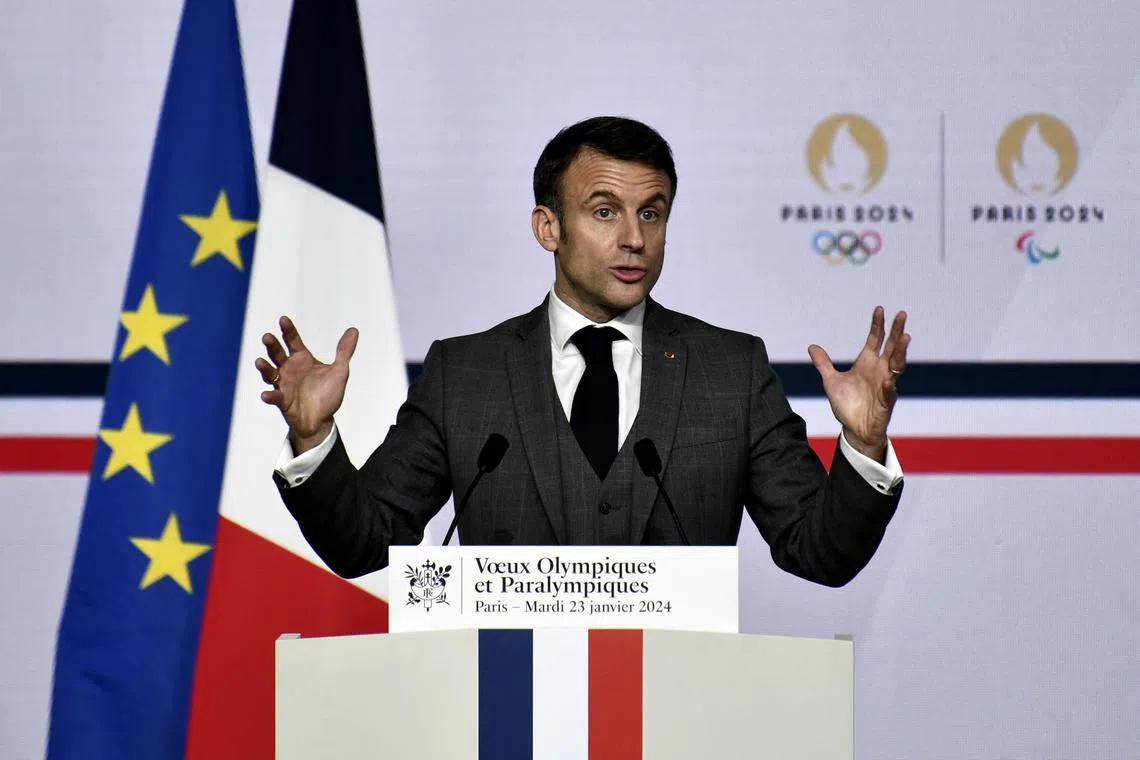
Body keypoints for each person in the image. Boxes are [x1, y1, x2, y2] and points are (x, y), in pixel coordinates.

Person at [257, 116, 909, 587]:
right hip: (507, 715)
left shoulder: (730, 373)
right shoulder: (466, 374)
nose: (633, 238)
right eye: (604, 212)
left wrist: (864, 448)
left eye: (651, 214)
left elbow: (820, 555)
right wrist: (314, 437)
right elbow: (368, 542)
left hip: (679, 717)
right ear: (548, 227)